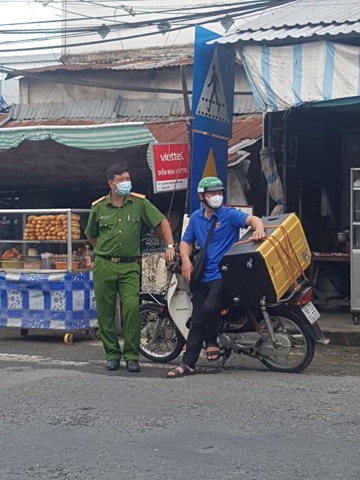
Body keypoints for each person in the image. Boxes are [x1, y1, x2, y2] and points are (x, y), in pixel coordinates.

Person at [167, 176, 266, 378]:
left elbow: (253, 220)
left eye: (220, 192)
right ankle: (188, 363)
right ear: (202, 197)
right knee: (197, 319)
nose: (217, 196)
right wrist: (185, 258)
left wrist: (260, 230)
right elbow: (186, 241)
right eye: (212, 193)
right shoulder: (196, 218)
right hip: (203, 275)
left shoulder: (228, 215)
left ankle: (211, 341)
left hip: (225, 273)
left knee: (210, 307)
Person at [85, 164, 175, 373]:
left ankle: (131, 355)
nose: (127, 181)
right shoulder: (99, 207)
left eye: (128, 177)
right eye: (122, 179)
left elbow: (162, 221)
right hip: (104, 264)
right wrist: (103, 253)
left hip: (129, 266)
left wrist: (170, 246)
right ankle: (112, 354)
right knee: (105, 312)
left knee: (132, 308)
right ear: (111, 184)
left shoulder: (139, 203)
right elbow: (91, 235)